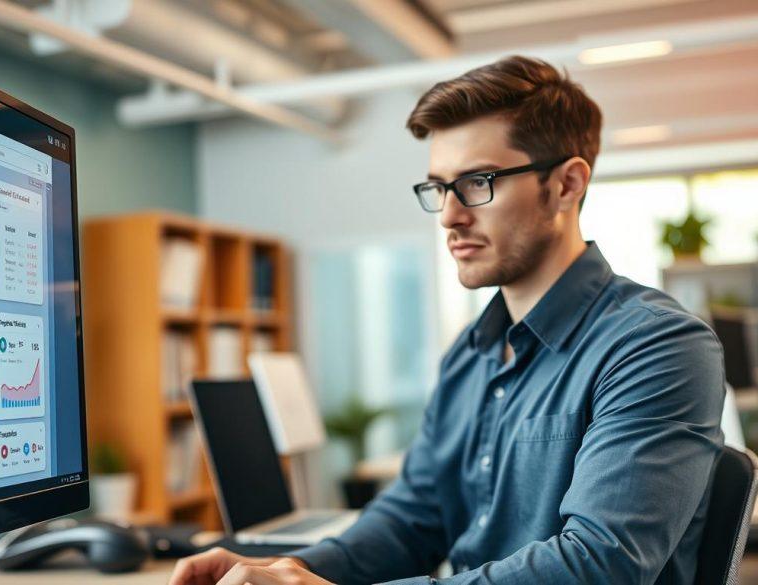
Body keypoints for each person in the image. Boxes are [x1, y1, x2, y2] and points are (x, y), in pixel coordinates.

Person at [169, 55, 725, 585]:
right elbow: (413, 516)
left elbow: (601, 567)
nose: (451, 216)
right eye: (439, 188)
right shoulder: (470, 353)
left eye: (478, 182)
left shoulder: (654, 345)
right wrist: (285, 569)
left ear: (566, 185)